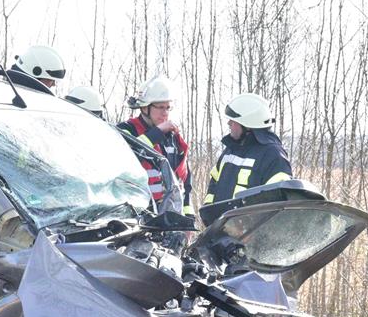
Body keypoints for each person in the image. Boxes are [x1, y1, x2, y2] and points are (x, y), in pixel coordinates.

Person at [118, 75, 194, 216]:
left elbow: (184, 181)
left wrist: (188, 215)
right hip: (136, 217)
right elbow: (126, 158)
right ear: (145, 107)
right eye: (160, 107)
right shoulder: (126, 129)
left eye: (168, 108)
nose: (165, 113)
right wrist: (156, 133)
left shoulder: (173, 138)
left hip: (169, 217)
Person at [203, 93, 292, 206]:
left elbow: (276, 205)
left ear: (248, 124)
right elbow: (214, 183)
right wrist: (209, 211)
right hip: (222, 223)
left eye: (233, 120)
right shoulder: (231, 149)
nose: (229, 123)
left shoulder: (273, 156)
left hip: (253, 224)